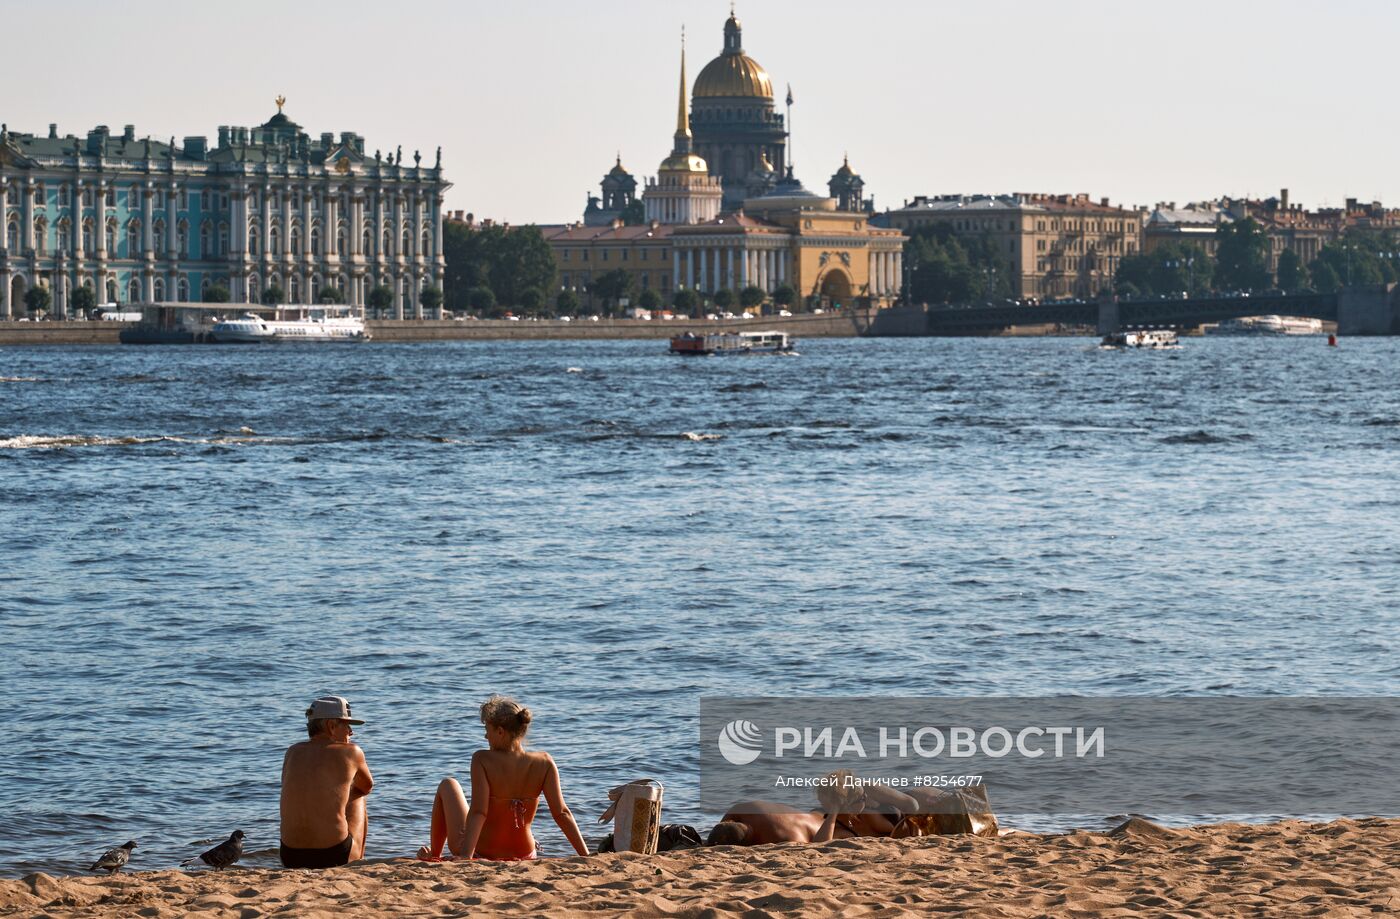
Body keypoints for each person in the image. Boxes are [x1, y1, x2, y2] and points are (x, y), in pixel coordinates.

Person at [418, 695, 589, 861]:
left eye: (487, 730)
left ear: (500, 731)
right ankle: (584, 853)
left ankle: (434, 855)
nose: (486, 737)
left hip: (484, 852)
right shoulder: (545, 762)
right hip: (526, 854)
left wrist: (466, 856)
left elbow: (479, 812)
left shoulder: (482, 759)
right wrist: (585, 855)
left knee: (449, 785)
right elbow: (561, 813)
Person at [279, 696, 374, 869]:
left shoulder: (292, 752)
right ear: (331, 726)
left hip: (290, 857)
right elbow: (366, 787)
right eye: (346, 725)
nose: (351, 732)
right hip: (333, 855)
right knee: (359, 795)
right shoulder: (352, 751)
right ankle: (357, 862)